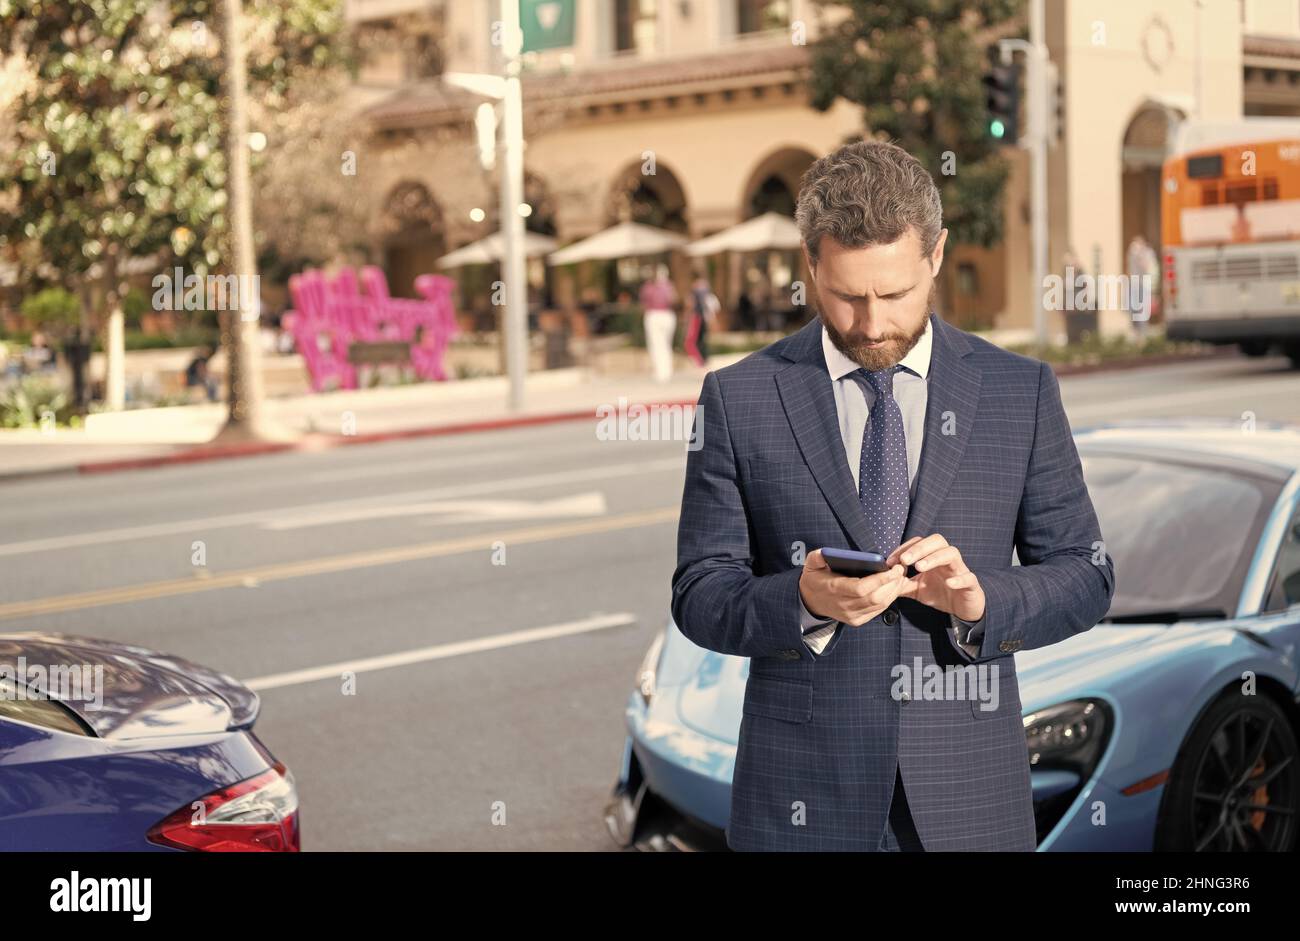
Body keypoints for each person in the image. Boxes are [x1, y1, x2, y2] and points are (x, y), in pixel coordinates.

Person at [671, 139, 1115, 852]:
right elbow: (699, 592)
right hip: (800, 802)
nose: (871, 324)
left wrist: (980, 603)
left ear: (935, 255)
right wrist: (805, 601)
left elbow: (1086, 575)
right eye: (846, 296)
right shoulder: (739, 397)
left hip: (971, 803)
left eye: (896, 294)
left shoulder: (1019, 392)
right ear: (811, 262)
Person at [638, 263, 678, 383]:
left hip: (655, 316)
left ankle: (662, 372)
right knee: (665, 344)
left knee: (657, 345)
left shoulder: (648, 287)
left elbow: (643, 303)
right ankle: (665, 371)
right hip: (667, 316)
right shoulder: (668, 286)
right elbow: (673, 300)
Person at [685, 273, 720, 368]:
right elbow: (713, 308)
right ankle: (703, 360)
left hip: (697, 318)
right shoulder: (707, 294)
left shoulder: (696, 294)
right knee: (702, 340)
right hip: (703, 319)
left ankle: (700, 361)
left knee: (691, 342)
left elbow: (689, 305)